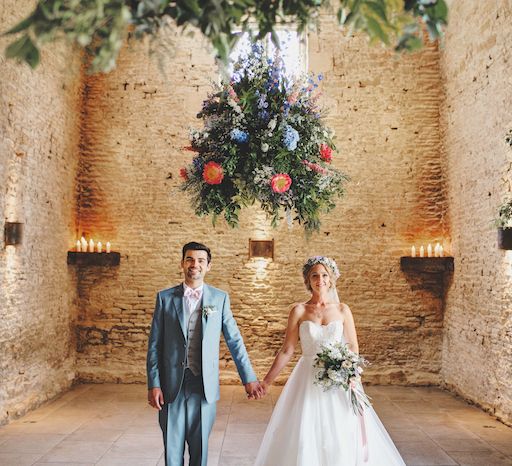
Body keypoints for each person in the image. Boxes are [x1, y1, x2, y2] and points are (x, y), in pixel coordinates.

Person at [254, 256, 406, 466]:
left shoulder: (343, 310)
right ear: (308, 280)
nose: (320, 279)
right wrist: (267, 381)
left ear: (331, 279)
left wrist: (349, 372)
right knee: (305, 429)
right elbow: (287, 350)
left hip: (338, 378)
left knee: (340, 428)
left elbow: (352, 346)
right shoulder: (298, 310)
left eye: (324, 275)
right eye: (315, 275)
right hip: (307, 377)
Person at [147, 241, 264, 466]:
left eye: (201, 260)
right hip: (171, 385)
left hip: (204, 385)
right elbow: (154, 344)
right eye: (190, 259)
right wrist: (154, 383)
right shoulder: (165, 298)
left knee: (200, 450)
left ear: (208, 266)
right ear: (182, 263)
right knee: (172, 450)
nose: (195, 264)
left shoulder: (220, 299)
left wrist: (248, 378)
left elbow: (234, 341)